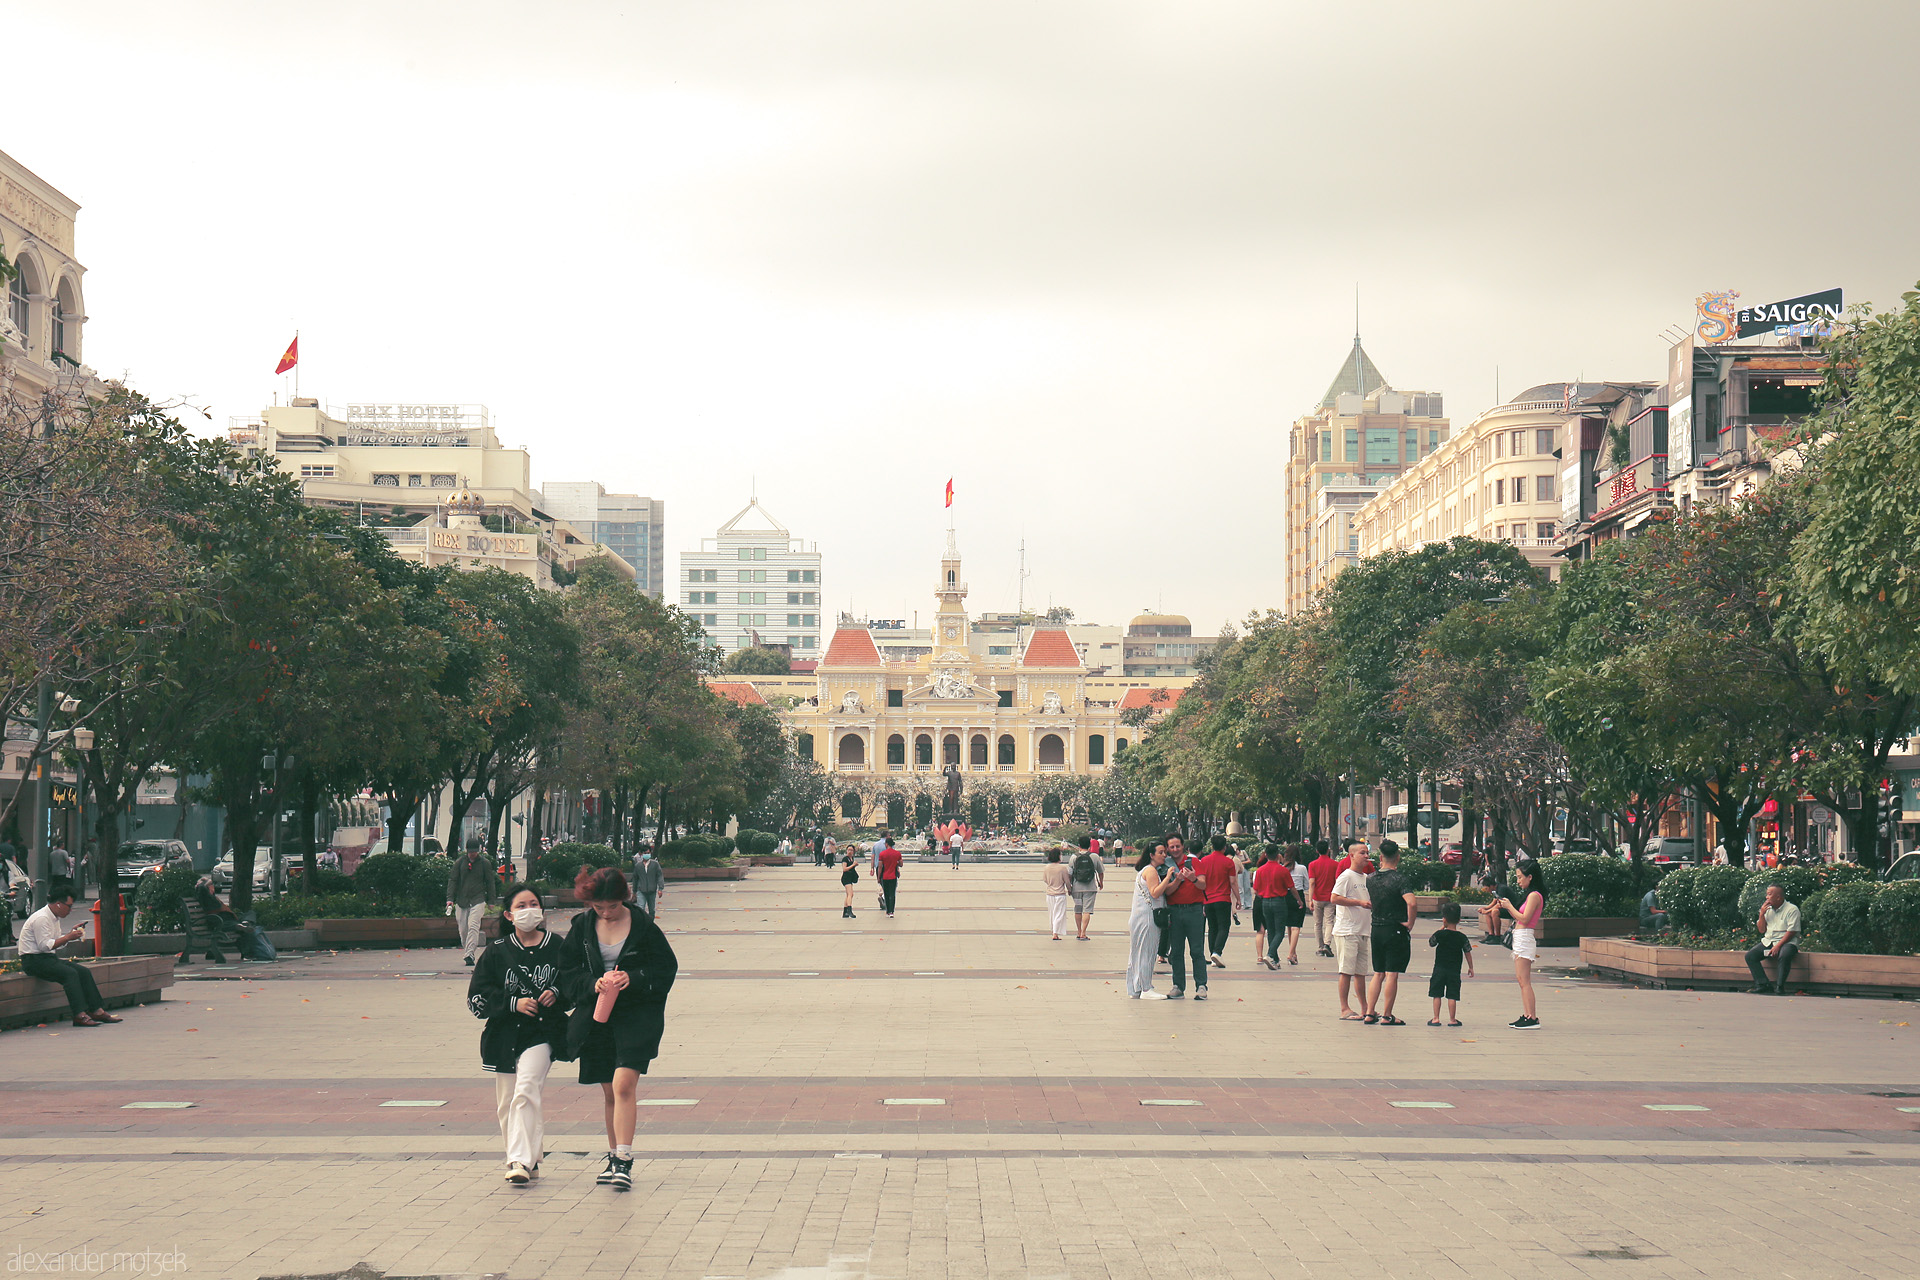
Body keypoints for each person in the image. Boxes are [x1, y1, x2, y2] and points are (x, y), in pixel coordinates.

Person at [560, 866, 679, 1192]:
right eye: (599, 907)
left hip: (637, 1015)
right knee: (610, 1091)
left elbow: (666, 967)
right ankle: (613, 1156)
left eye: (612, 906)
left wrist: (634, 977)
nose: (606, 913)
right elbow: (567, 972)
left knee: (624, 1083)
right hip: (597, 1015)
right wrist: (592, 983)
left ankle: (624, 1159)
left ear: (623, 899)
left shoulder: (642, 925)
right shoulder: (582, 927)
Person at [468, 883, 569, 1184]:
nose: (529, 910)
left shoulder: (558, 947)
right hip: (504, 1036)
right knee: (508, 1103)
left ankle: (518, 1162)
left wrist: (556, 991)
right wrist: (512, 1003)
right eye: (521, 906)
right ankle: (532, 1157)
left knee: (526, 1089)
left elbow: (576, 984)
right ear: (509, 915)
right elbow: (476, 999)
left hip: (542, 1033)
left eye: (533, 904)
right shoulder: (496, 952)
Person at [17, 880, 121, 1027]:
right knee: (69, 974)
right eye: (69, 906)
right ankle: (79, 1014)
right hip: (33, 960)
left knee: (83, 971)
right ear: (59, 904)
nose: (70, 910)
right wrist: (68, 937)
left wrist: (70, 934)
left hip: (47, 958)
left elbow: (55, 944)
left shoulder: (54, 918)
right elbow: (45, 945)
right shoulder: (42, 918)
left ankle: (96, 1010)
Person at [1364, 840, 1418, 1026]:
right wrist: (1410, 923)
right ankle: (1387, 1015)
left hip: (1376, 928)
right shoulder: (1400, 879)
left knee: (1378, 972)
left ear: (1380, 857)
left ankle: (1370, 1012)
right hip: (1395, 929)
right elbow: (1411, 902)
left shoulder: (1370, 878)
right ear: (1398, 857)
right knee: (1392, 973)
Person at [1491, 859, 1545, 1029]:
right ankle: (1527, 1014)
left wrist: (1509, 907)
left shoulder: (1535, 896)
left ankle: (1532, 1017)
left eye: (1521, 877)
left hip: (1525, 936)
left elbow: (1524, 918)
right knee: (1521, 980)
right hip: (1521, 936)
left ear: (1530, 877)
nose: (1518, 880)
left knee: (1524, 980)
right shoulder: (1530, 895)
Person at [1160, 834, 1209, 1001]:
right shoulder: (1166, 865)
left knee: (1197, 950)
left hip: (1194, 911)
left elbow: (1203, 885)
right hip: (1175, 911)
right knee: (1177, 952)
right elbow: (1167, 891)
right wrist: (1179, 880)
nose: (1175, 850)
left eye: (1177, 846)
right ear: (1167, 848)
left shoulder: (1195, 863)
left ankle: (1201, 986)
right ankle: (1178, 986)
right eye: (1171, 847)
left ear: (1183, 846)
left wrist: (1193, 878)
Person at [1330, 840, 1374, 1021]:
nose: (1366, 856)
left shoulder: (1366, 878)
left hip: (1363, 930)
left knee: (1361, 972)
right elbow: (1334, 898)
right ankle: (1344, 1008)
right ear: (1352, 856)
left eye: (1367, 853)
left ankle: (1365, 1008)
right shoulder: (1346, 876)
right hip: (1347, 930)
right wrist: (1359, 903)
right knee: (1346, 971)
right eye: (1362, 853)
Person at [189, 877, 277, 962]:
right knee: (235, 926)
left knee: (250, 913)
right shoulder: (206, 897)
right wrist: (202, 884)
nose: (213, 887)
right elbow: (201, 890)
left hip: (228, 920)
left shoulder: (212, 897)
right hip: (218, 922)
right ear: (206, 888)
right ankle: (241, 926)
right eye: (210, 886)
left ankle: (245, 923)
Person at [446, 836, 498, 967]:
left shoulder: (484, 863)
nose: (472, 854)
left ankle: (469, 954)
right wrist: (450, 899)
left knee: (473, 926)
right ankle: (467, 950)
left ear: (478, 851)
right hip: (462, 900)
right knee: (463, 929)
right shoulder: (460, 862)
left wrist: (491, 900)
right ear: (467, 850)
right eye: (470, 851)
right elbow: (453, 880)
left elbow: (490, 882)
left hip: (478, 899)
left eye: (474, 851)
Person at [1127, 846, 1171, 999]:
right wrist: (1168, 876)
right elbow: (1155, 892)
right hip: (1147, 917)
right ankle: (1146, 988)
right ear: (1151, 855)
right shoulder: (1151, 871)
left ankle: (1136, 987)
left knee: (1138, 953)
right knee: (1147, 952)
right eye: (1161, 853)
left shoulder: (1145, 870)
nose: (1164, 855)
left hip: (1140, 916)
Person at [1746, 883, 1802, 995]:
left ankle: (1780, 986)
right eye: (1767, 894)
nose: (1767, 897)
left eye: (1769, 894)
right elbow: (1761, 930)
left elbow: (1792, 931)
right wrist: (1761, 914)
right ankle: (1763, 984)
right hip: (1769, 941)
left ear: (1778, 897)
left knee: (1784, 954)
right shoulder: (1767, 909)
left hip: (1787, 941)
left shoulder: (1792, 909)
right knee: (1750, 956)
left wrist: (1778, 946)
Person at [1196, 834, 1241, 969]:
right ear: (1225, 847)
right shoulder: (1228, 862)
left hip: (1207, 899)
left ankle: (1213, 954)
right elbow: (1233, 882)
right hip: (1223, 899)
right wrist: (1238, 899)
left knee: (1212, 928)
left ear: (1212, 846)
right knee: (1224, 927)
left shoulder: (1204, 860)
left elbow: (1201, 881)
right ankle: (1217, 952)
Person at [1427, 902, 1475, 1026]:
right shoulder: (1462, 937)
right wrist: (1471, 967)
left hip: (1439, 969)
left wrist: (1441, 928)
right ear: (1459, 920)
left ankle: (1436, 1018)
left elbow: (1431, 942)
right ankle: (1452, 1019)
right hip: (1454, 971)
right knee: (1452, 995)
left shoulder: (1440, 934)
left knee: (1437, 994)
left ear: (1444, 919)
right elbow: (1467, 951)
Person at [1251, 845, 1289, 970]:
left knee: (1271, 931)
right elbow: (1291, 887)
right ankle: (1270, 954)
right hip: (1279, 901)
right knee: (1280, 932)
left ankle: (1275, 960)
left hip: (1265, 902)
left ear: (1265, 855)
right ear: (1278, 854)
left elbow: (1255, 889)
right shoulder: (1283, 870)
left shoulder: (1260, 870)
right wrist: (1299, 900)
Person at [1307, 841, 1340, 959]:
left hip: (1317, 898)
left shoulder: (1312, 865)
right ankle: (1327, 944)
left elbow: (1312, 883)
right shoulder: (1335, 864)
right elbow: (1337, 882)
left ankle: (1320, 947)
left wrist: (1310, 899)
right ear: (1328, 850)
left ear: (1317, 851)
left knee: (1318, 923)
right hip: (1330, 898)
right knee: (1329, 922)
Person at [1069, 839, 1104, 941]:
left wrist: (1070, 886)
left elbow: (1069, 873)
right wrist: (1101, 882)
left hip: (1076, 888)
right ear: (1089, 846)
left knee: (1078, 910)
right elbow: (1100, 872)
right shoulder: (1094, 857)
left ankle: (1079, 932)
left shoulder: (1074, 857)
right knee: (1087, 911)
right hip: (1090, 888)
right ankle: (1084, 933)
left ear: (1079, 845)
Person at [1285, 843, 1310, 965]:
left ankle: (1293, 953)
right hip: (1298, 896)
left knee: (1289, 926)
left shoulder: (1283, 868)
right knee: (1296, 928)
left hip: (1286, 897)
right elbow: (1307, 885)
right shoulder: (1302, 868)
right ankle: (1290, 954)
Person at [1041, 849, 1071, 940]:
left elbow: (1045, 879)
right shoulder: (1062, 868)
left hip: (1050, 894)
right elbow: (1067, 881)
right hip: (1060, 894)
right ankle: (1055, 932)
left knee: (1052, 913)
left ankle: (1054, 931)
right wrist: (1070, 890)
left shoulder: (1046, 867)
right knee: (1059, 914)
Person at [631, 847, 665, 918]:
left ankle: (650, 924)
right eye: (645, 853)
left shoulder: (655, 864)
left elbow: (659, 876)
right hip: (641, 890)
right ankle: (642, 924)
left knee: (651, 910)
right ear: (642, 854)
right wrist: (634, 892)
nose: (647, 855)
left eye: (648, 853)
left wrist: (660, 888)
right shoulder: (638, 866)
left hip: (652, 890)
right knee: (641, 908)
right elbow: (635, 878)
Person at [875, 835, 903, 918]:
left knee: (886, 894)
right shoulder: (897, 853)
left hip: (885, 877)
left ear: (886, 844)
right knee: (892, 894)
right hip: (893, 877)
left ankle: (887, 911)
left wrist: (878, 877)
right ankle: (892, 912)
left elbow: (880, 867)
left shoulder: (882, 854)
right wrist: (895, 863)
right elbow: (901, 864)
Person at [839, 847, 860, 918]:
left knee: (849, 895)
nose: (849, 851)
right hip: (846, 878)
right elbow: (844, 869)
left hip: (850, 878)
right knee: (850, 894)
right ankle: (849, 910)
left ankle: (845, 912)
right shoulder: (845, 859)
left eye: (851, 850)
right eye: (848, 850)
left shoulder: (852, 859)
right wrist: (853, 865)